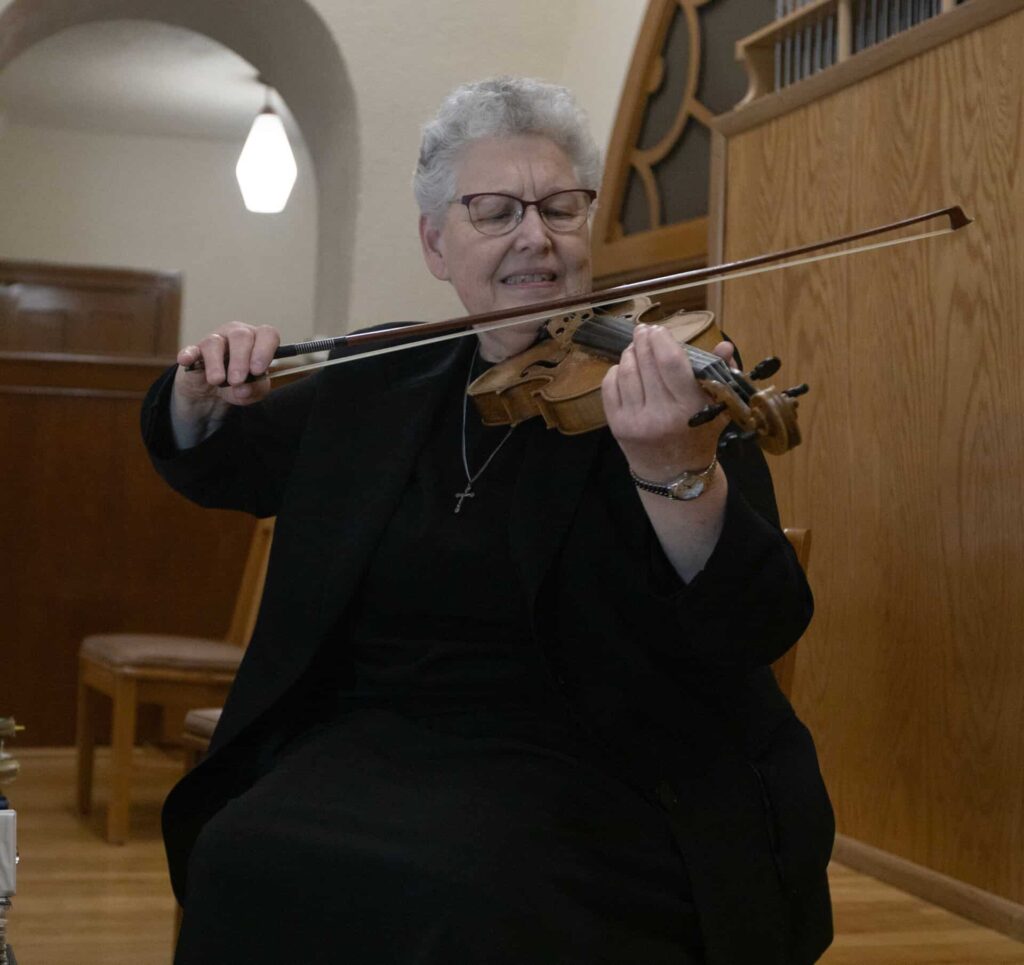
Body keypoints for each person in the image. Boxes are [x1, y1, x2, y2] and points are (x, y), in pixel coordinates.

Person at [144, 76, 834, 964]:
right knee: (240, 850)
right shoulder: (379, 378)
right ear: (437, 243)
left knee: (469, 888)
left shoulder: (666, 385)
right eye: (494, 211)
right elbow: (219, 461)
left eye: (560, 207)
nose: (535, 238)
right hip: (370, 740)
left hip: (599, 762)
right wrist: (196, 393)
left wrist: (676, 473)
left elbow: (759, 618)